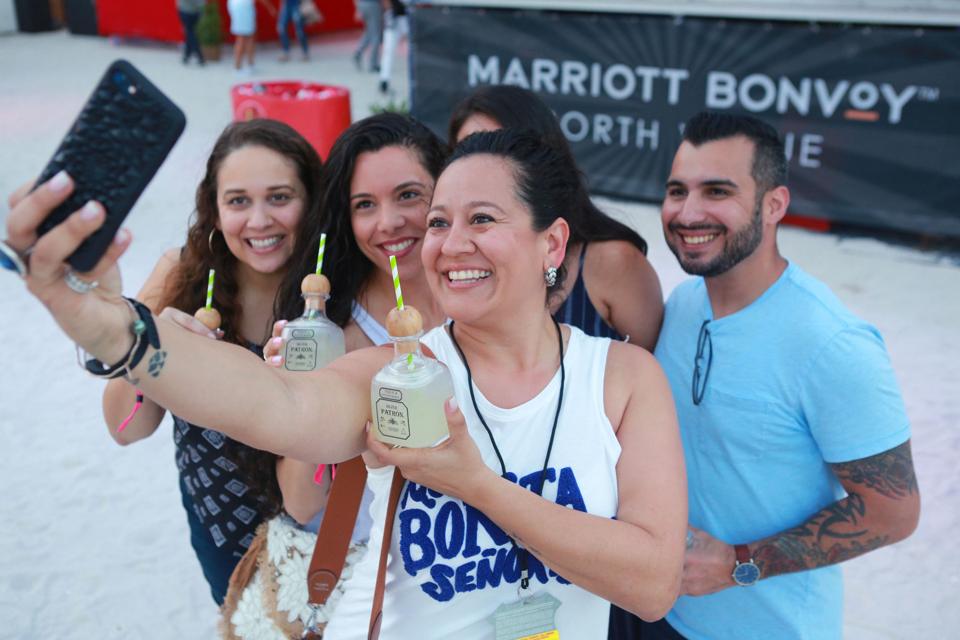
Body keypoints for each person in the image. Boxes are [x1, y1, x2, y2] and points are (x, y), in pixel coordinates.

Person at [5, 128, 688, 637]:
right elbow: (278, 404)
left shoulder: (623, 378)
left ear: (553, 243)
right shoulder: (397, 371)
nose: (450, 244)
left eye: (482, 219)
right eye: (441, 222)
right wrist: (118, 332)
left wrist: (477, 487)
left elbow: (654, 583)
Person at [609, 111, 921, 640]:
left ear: (774, 204)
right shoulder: (684, 304)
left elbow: (894, 513)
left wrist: (739, 562)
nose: (688, 212)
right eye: (677, 190)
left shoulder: (830, 344)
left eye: (716, 191)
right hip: (660, 612)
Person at [222, 113, 450, 637]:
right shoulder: (331, 331)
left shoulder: (484, 304)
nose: (387, 222)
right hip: (362, 581)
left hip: (465, 570)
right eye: (364, 205)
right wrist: (299, 398)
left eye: (409, 196)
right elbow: (302, 502)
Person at [97, 119, 326, 606]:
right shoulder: (180, 272)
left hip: (320, 525)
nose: (259, 220)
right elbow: (125, 427)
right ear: (215, 211)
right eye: (238, 201)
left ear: (311, 201)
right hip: (218, 524)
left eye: (280, 197)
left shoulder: (334, 289)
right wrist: (153, 348)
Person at [448, 85, 663, 350]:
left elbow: (654, 373)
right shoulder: (452, 264)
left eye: (506, 149)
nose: (482, 164)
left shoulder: (613, 262)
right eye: (467, 151)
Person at [227, 0, 276, 74]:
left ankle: (250, 65)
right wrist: (271, 8)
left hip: (240, 6)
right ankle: (237, 67)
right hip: (242, 6)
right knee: (242, 37)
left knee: (249, 36)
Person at [377, 0, 409, 95]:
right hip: (394, 15)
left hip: (406, 15)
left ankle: (416, 77)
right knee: (388, 51)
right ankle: (384, 80)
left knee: (413, 49)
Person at [353, 0, 382, 73]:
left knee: (369, 31)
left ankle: (358, 51)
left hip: (362, 4)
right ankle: (373, 63)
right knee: (376, 34)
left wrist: (357, 8)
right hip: (373, 4)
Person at [177, 0, 205, 66]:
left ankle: (199, 55)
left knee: (190, 33)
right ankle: (187, 55)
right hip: (194, 10)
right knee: (190, 32)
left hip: (186, 10)